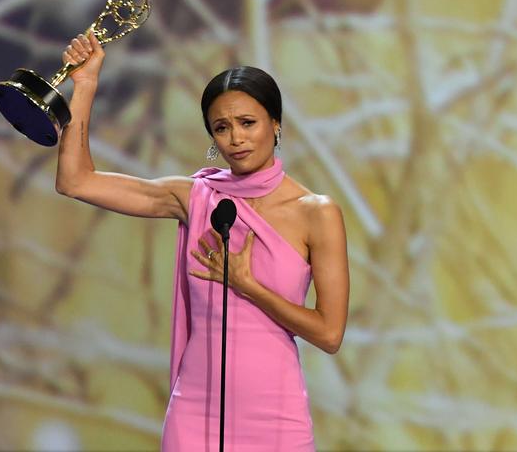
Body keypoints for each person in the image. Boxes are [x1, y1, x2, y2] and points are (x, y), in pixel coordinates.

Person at [56, 31, 350, 451]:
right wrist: (84, 86)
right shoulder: (197, 198)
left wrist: (249, 285)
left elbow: (330, 333)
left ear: (276, 124)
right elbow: (75, 181)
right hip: (195, 412)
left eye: (248, 123)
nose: (236, 138)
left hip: (275, 416)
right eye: (222, 127)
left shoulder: (316, 213)